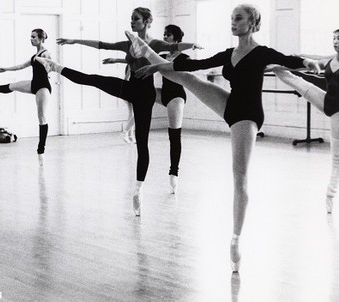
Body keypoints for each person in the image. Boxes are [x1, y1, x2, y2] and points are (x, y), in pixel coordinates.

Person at [125, 4, 320, 271]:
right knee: (185, 77)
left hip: (248, 115)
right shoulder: (229, 53)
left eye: (238, 18)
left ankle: (236, 240)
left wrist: (309, 63)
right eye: (231, 18)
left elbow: (290, 59)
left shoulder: (262, 53)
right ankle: (145, 51)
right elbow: (194, 64)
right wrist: (155, 66)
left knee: (239, 177)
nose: (233, 22)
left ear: (252, 23)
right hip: (230, 104)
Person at [37, 7, 199, 216]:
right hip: (129, 88)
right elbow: (103, 45)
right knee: (94, 79)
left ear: (147, 21)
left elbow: (174, 45)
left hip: (146, 94)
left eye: (136, 19)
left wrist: (192, 45)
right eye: (131, 19)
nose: (132, 22)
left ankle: (138, 190)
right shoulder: (128, 44)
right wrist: (75, 41)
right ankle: (54, 66)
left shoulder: (156, 44)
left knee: (142, 142)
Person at [103, 24, 190, 193]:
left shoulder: (183, 58)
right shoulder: (162, 55)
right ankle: (126, 131)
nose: (165, 37)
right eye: (164, 34)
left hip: (175, 96)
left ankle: (174, 173)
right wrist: (118, 60)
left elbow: (186, 71)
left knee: (174, 135)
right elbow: (141, 60)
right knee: (142, 100)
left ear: (176, 38)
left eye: (169, 35)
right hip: (162, 92)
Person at [270, 28, 339, 215]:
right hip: (328, 102)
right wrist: (296, 57)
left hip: (338, 114)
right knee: (291, 78)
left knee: (336, 160)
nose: (335, 41)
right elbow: (317, 58)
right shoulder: (332, 59)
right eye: (333, 38)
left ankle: (330, 197)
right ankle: (269, 65)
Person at [0, 29, 52, 165]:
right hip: (34, 84)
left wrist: (48, 66)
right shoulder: (34, 56)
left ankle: (41, 152)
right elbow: (21, 66)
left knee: (42, 118)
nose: (31, 39)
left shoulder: (45, 53)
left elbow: (50, 63)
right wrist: (5, 69)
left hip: (43, 87)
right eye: (30, 37)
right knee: (13, 85)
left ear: (41, 39)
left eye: (34, 37)